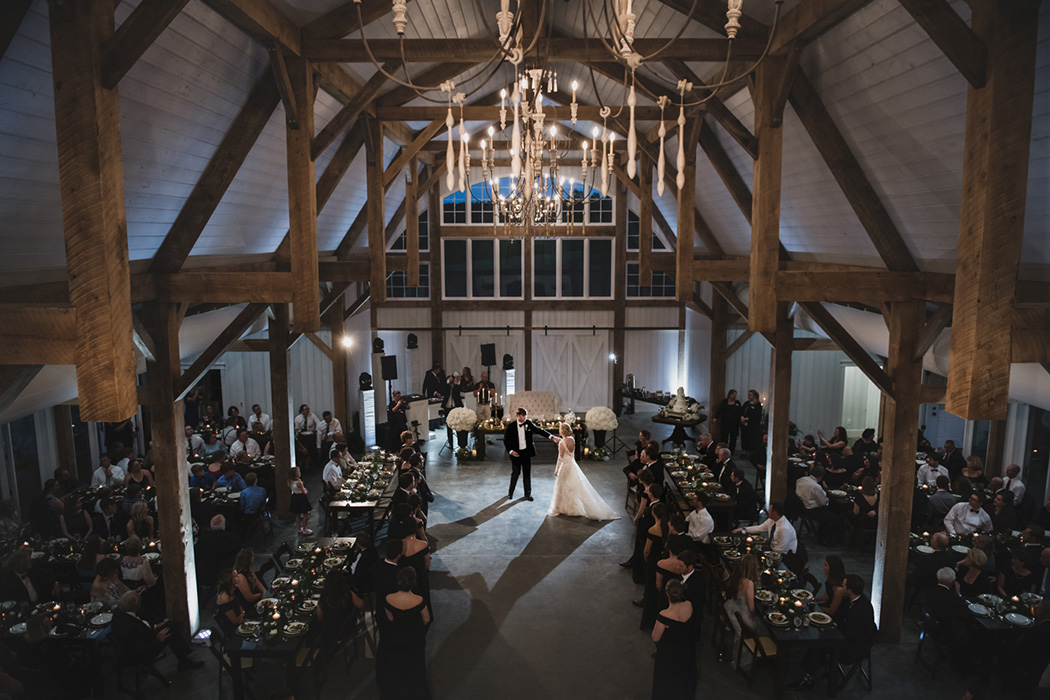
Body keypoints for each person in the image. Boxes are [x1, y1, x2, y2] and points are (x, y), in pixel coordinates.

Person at [788, 574, 876, 690]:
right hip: (850, 637)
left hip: (855, 647)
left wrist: (832, 630)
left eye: (844, 586)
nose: (841, 588)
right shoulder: (856, 599)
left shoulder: (859, 611)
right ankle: (809, 667)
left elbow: (849, 635)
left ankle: (809, 678)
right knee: (820, 638)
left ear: (849, 590)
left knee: (821, 644)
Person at [112, 591, 202, 671]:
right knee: (172, 629)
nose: (140, 598)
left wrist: (155, 626)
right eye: (139, 599)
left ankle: (184, 660)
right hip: (138, 654)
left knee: (172, 627)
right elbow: (143, 650)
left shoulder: (120, 612)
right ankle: (184, 660)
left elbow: (141, 626)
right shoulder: (130, 628)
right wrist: (158, 639)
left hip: (144, 637)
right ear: (134, 606)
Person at [377, 567, 431, 700]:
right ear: (413, 582)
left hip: (397, 637)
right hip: (414, 638)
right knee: (416, 668)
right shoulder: (419, 600)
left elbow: (390, 618)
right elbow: (426, 619)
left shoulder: (389, 598)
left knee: (396, 666)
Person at [548, 423, 619, 520]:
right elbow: (569, 451)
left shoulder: (561, 443)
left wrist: (556, 470)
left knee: (562, 486)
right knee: (572, 486)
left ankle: (563, 508)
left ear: (561, 431)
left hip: (564, 467)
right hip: (572, 465)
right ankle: (573, 508)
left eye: (560, 429)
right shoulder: (572, 440)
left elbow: (560, 458)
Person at [652, 579, 697, 699]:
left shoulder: (664, 615)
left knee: (666, 682)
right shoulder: (689, 605)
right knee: (682, 678)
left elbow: (655, 637)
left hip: (669, 653)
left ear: (667, 594)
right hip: (686, 648)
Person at [503, 407, 558, 502]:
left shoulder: (528, 423)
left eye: (525, 416)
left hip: (526, 453)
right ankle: (510, 493)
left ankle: (527, 494)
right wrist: (510, 451)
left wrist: (551, 436)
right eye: (522, 416)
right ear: (517, 416)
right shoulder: (511, 426)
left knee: (527, 474)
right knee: (515, 473)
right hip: (516, 453)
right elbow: (506, 440)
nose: (524, 418)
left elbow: (539, 430)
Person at [724, 553, 762, 671]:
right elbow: (751, 608)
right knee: (763, 626)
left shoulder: (738, 576)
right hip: (744, 615)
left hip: (734, 608)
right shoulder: (748, 583)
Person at [640, 503, 669, 631]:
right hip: (663, 560)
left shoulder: (653, 530)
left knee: (650, 587)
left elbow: (647, 550)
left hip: (653, 561)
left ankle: (648, 621)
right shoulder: (668, 527)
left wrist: (647, 560)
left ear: (654, 514)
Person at [195, 515, 241, 588]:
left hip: (208, 574)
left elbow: (197, 556)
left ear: (211, 526)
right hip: (228, 573)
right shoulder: (234, 538)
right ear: (224, 525)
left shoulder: (204, 541)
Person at [215, 569, 245, 639]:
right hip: (233, 628)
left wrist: (242, 613)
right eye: (235, 576)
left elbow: (239, 604)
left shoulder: (233, 589)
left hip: (241, 618)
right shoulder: (225, 598)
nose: (238, 577)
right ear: (230, 581)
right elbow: (235, 621)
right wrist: (243, 619)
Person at [294, 404, 321, 470]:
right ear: (302, 411)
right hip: (302, 436)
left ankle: (309, 462)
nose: (307, 411)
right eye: (305, 410)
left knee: (311, 443)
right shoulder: (298, 418)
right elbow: (297, 429)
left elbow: (318, 423)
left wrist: (316, 430)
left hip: (311, 435)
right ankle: (304, 461)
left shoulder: (312, 415)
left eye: (308, 409)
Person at [740, 389, 763, 461]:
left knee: (752, 439)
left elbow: (757, 415)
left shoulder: (757, 405)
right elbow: (741, 411)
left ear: (754, 396)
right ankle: (744, 453)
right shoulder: (746, 403)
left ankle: (751, 454)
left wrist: (748, 419)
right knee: (744, 438)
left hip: (752, 426)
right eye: (748, 395)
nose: (748, 396)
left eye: (750, 395)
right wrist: (742, 418)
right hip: (744, 425)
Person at [288, 466, 312, 536]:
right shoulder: (299, 482)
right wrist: (305, 490)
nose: (300, 473)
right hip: (301, 498)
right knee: (305, 513)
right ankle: (305, 529)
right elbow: (303, 491)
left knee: (297, 514)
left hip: (295, 497)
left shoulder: (290, 482)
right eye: (298, 472)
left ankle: (299, 529)